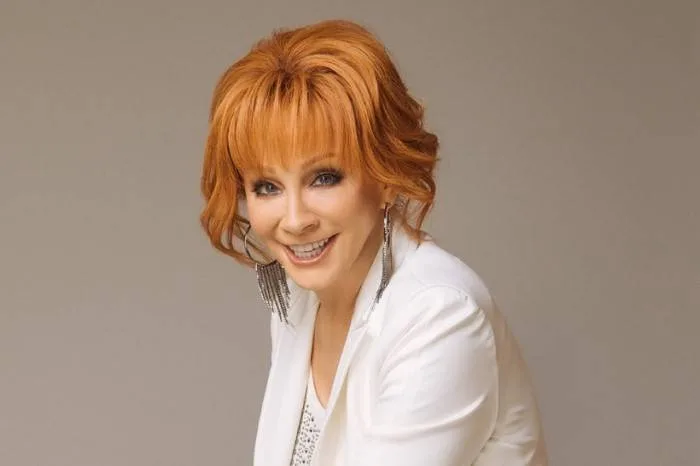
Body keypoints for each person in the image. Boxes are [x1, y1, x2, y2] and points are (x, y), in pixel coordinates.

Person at [200, 19, 547, 466]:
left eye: (324, 178)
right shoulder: (301, 301)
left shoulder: (440, 316)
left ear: (385, 177)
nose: (295, 220)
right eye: (267, 186)